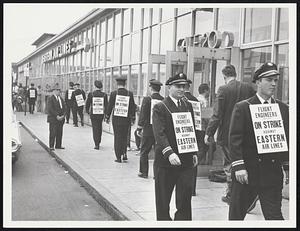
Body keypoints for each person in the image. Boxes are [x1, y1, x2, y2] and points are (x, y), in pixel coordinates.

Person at [228, 62, 289, 220]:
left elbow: (286, 139)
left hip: (272, 174)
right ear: (257, 82)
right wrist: (239, 166)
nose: (274, 84)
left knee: (275, 216)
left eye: (275, 80)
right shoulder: (243, 107)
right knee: (236, 215)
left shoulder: (282, 109)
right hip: (247, 173)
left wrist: (287, 168)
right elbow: (235, 139)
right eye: (269, 80)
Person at [204, 64, 256, 205]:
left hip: (227, 135)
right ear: (235, 74)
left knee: (229, 166)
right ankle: (249, 192)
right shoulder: (249, 88)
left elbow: (217, 114)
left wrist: (209, 132)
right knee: (244, 163)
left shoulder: (223, 89)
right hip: (247, 135)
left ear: (224, 77)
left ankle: (232, 194)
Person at [152, 73, 198, 220]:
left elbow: (191, 129)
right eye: (178, 86)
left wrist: (194, 152)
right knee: (163, 200)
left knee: (185, 199)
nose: (181, 89)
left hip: (185, 160)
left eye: (184, 86)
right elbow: (159, 134)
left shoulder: (188, 105)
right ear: (169, 87)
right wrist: (170, 153)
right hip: (166, 162)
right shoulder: (160, 107)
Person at [137, 79, 164, 179]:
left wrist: (139, 127)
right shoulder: (163, 100)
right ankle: (156, 174)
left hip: (148, 130)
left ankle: (143, 172)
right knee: (158, 153)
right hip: (159, 131)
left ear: (151, 88)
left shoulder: (147, 99)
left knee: (144, 151)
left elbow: (143, 115)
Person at [105, 76, 136, 163]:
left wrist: (107, 117)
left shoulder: (114, 93)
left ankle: (118, 157)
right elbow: (132, 107)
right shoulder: (129, 94)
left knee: (117, 137)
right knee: (125, 136)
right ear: (125, 84)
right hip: (126, 120)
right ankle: (124, 154)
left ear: (117, 84)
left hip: (117, 120)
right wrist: (133, 118)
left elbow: (110, 106)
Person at [182, 79, 202, 196]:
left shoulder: (182, 100)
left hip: (183, 134)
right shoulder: (195, 100)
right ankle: (192, 189)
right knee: (192, 163)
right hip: (193, 134)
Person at [85, 80, 108, 150]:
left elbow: (87, 103)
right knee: (99, 127)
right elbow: (106, 105)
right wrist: (106, 114)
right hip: (100, 114)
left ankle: (96, 144)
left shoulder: (91, 94)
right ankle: (99, 141)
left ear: (95, 86)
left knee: (95, 128)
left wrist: (87, 111)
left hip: (93, 114)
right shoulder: (104, 95)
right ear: (101, 87)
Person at [46, 84, 66, 151]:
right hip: (53, 118)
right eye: (57, 90)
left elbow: (64, 107)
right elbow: (50, 109)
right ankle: (51, 145)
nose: (59, 92)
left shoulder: (61, 98)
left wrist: (63, 115)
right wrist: (57, 115)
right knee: (53, 132)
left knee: (59, 132)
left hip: (61, 119)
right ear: (54, 91)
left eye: (59, 90)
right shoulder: (50, 98)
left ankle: (58, 145)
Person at [197, 83, 210, 165]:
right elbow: (205, 115)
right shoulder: (203, 101)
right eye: (208, 90)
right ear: (205, 91)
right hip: (203, 126)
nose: (209, 92)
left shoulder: (197, 99)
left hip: (199, 126)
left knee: (201, 145)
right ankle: (199, 163)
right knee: (203, 146)